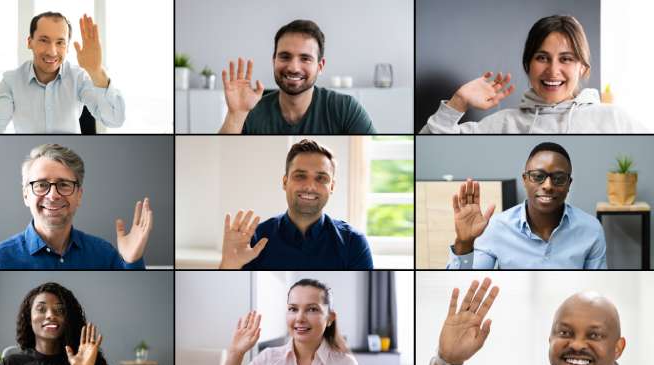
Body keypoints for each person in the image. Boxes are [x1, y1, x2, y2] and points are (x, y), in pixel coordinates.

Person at [420, 277, 650, 365]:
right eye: (565, 333)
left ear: (618, 348)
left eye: (594, 335)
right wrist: (447, 361)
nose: (577, 344)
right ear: (550, 339)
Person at [421, 15, 644, 134]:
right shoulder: (504, 124)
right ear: (528, 65)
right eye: (542, 58)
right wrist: (458, 101)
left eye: (566, 58)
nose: (553, 70)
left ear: (583, 68)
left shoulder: (614, 119)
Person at [0, 143, 151, 270]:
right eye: (41, 185)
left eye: (64, 185)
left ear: (79, 195)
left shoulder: (104, 254)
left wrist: (132, 260)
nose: (53, 195)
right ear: (26, 195)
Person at [218, 139, 373, 270]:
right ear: (285, 182)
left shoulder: (353, 243)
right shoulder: (252, 240)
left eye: (321, 178)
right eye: (300, 176)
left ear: (331, 187)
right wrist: (229, 264)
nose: (309, 187)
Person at [446, 142, 605, 269]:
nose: (548, 186)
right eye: (538, 176)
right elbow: (469, 286)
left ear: (569, 184)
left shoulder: (591, 229)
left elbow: (596, 288)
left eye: (559, 178)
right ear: (525, 180)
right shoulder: (496, 227)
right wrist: (464, 243)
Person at [215, 278, 369, 365]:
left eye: (312, 309)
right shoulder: (267, 359)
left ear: (330, 318)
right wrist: (236, 353)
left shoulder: (345, 364)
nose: (300, 318)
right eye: (293, 309)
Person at [218, 20, 375, 135]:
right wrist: (236, 115)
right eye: (285, 57)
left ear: (320, 66)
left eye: (305, 58)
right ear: (274, 61)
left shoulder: (345, 109)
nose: (293, 68)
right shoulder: (251, 109)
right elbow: (224, 156)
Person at [0, 12, 124, 133]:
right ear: (29, 42)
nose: (52, 52)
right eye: (44, 40)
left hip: (69, 157)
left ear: (67, 47)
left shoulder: (79, 78)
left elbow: (115, 120)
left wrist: (96, 72)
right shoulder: (11, 81)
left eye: (60, 42)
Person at [0, 282, 123, 365]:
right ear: (29, 318)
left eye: (60, 310)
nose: (50, 315)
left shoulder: (84, 361)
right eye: (41, 309)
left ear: (68, 319)